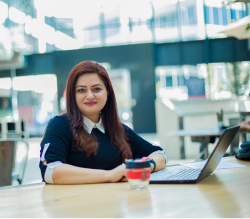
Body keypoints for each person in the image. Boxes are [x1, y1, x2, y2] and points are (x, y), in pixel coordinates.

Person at [39, 61, 167, 184]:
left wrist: (147, 166)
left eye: (96, 89)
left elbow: (159, 154)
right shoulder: (59, 125)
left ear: (107, 92)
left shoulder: (116, 129)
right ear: (73, 95)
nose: (89, 96)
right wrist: (109, 175)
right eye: (81, 90)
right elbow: (50, 170)